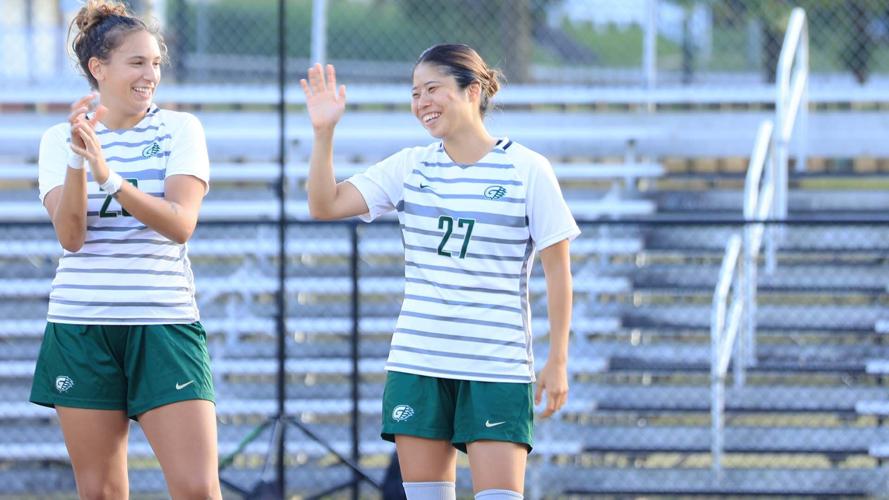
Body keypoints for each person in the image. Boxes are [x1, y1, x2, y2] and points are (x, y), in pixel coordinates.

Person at [301, 43, 579, 500]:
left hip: (496, 366)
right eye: (415, 93)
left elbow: (558, 271)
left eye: (433, 89)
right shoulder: (410, 165)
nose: (422, 102)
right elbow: (323, 204)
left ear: (473, 91)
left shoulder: (528, 169)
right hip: (419, 362)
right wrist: (324, 132)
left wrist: (558, 359)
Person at [28, 1, 220, 498]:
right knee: (101, 492)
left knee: (198, 488)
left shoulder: (181, 129)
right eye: (137, 62)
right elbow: (71, 237)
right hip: (82, 327)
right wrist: (77, 159)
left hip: (163, 325)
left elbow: (180, 224)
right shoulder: (57, 140)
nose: (150, 74)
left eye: (155, 63)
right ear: (99, 69)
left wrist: (108, 177)